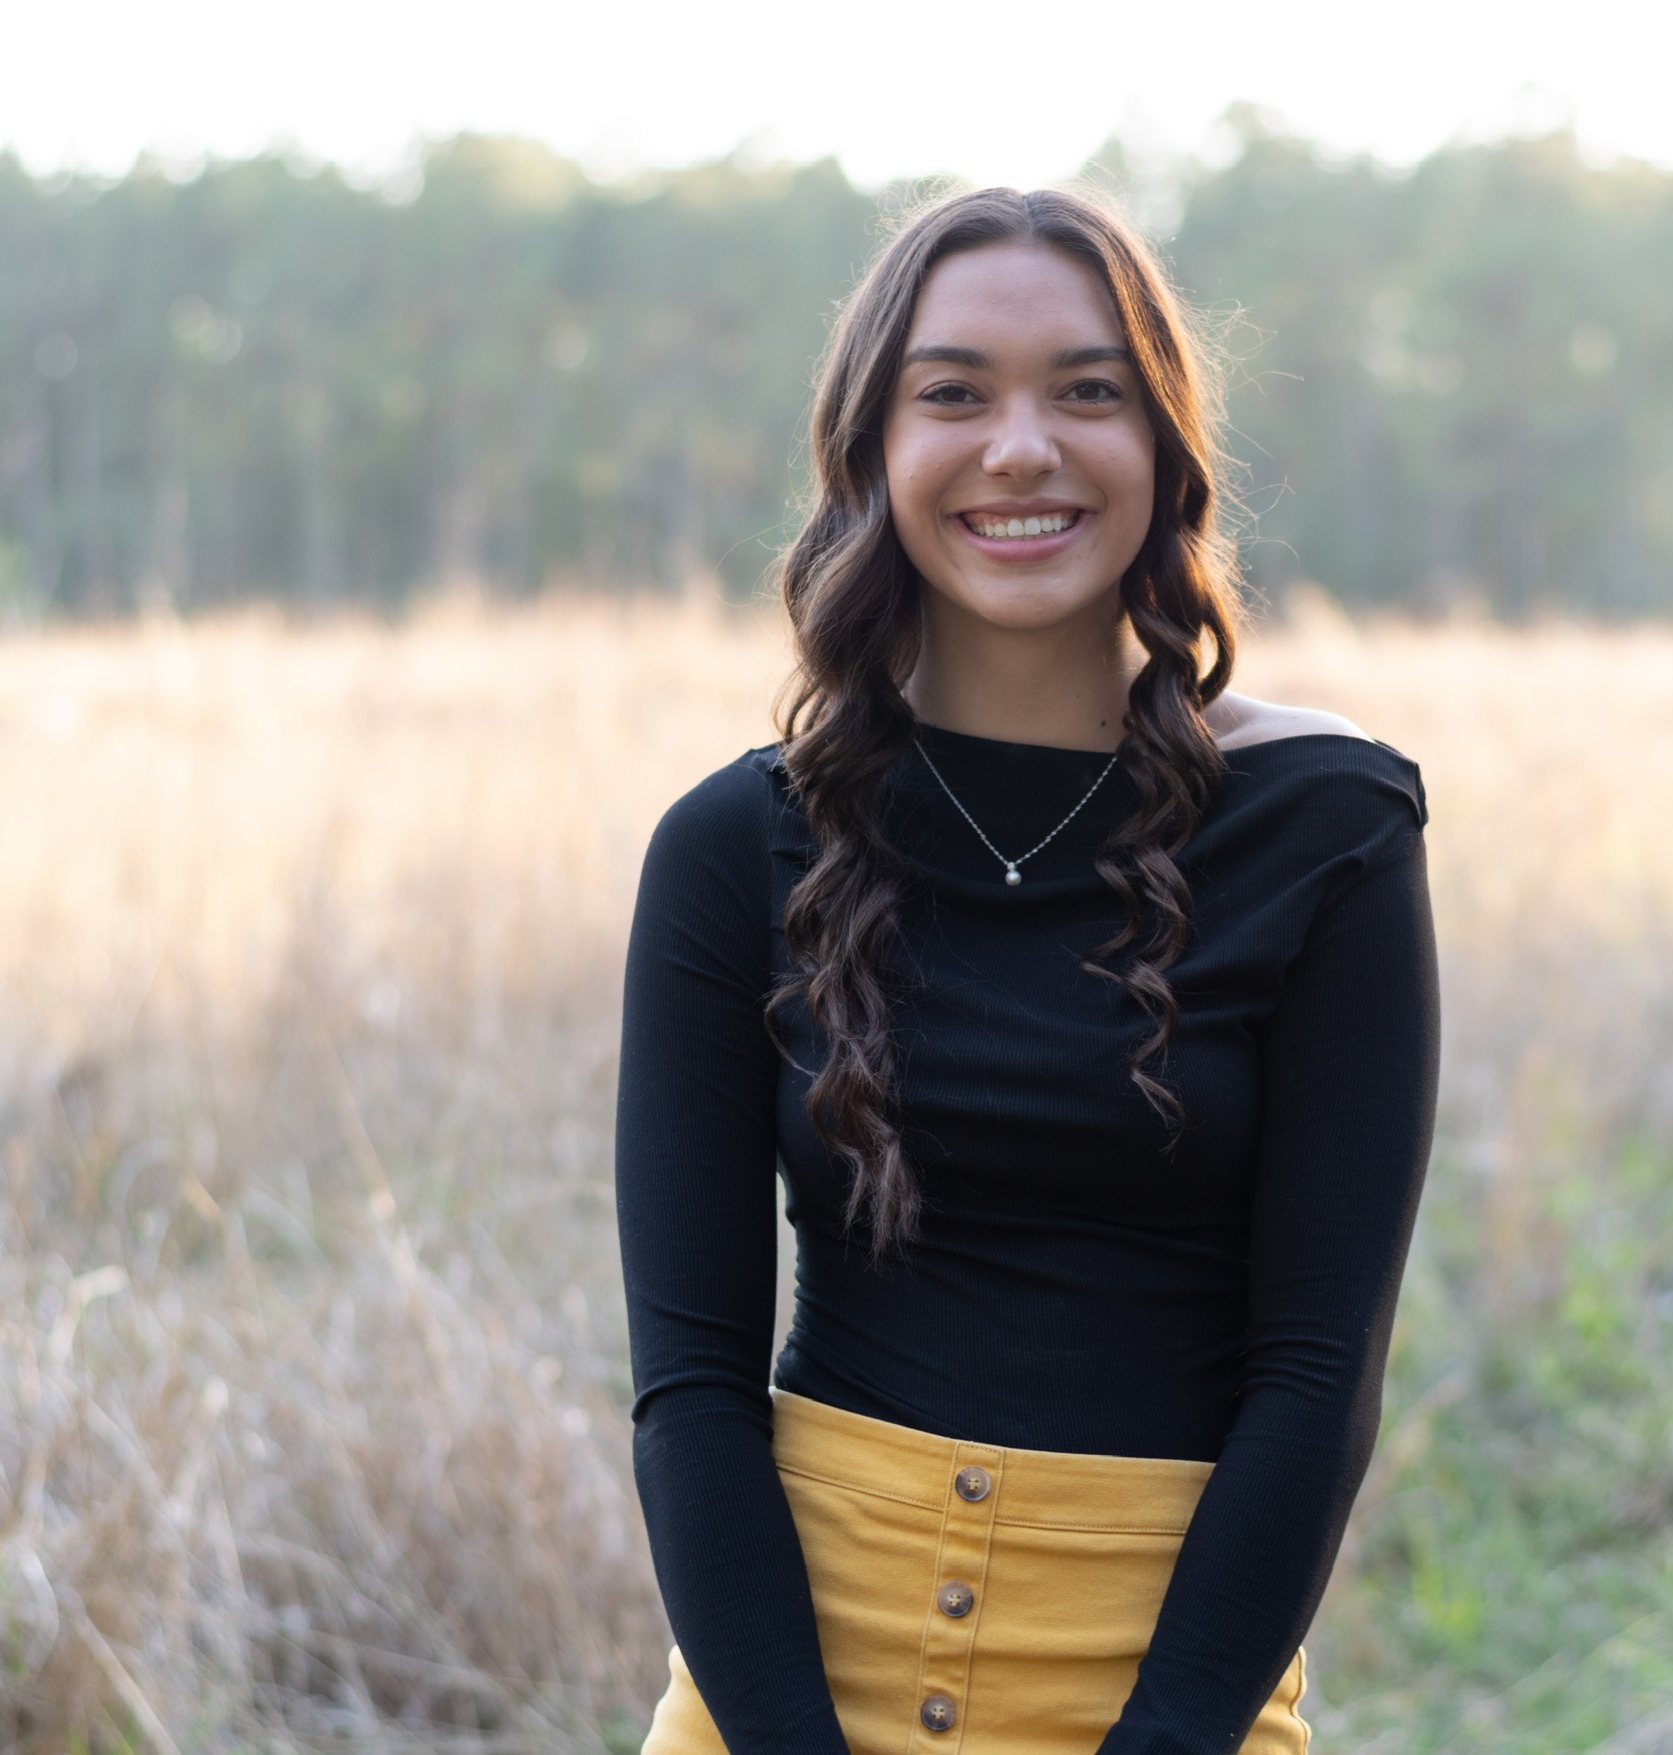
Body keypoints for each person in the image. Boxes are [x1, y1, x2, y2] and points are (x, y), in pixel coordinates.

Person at [614, 185, 1441, 1755]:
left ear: (1165, 447)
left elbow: (1317, 1372)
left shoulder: (1328, 828)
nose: (1021, 448)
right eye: (952, 394)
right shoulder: (735, 847)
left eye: (1087, 391)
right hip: (784, 1688)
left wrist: (1171, 1736)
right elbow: (693, 1387)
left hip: (1169, 1693)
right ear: (870, 451)